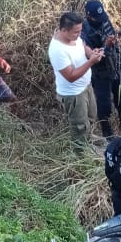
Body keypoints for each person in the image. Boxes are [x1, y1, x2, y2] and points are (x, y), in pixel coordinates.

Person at [48, 11, 105, 155]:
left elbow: (83, 46)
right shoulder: (57, 50)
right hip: (73, 94)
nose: (79, 34)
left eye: (80, 31)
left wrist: (91, 53)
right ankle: (81, 155)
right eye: (76, 32)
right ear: (63, 30)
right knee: (79, 125)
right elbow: (71, 76)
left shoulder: (75, 37)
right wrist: (91, 62)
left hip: (86, 86)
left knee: (91, 116)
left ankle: (89, 139)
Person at [83, 0, 121, 138]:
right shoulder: (83, 32)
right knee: (104, 106)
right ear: (88, 16)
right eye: (96, 18)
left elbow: (113, 43)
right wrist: (107, 46)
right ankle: (107, 134)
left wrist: (115, 44)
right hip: (100, 73)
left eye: (101, 16)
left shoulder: (104, 19)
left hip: (115, 68)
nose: (101, 20)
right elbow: (93, 57)